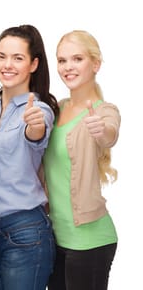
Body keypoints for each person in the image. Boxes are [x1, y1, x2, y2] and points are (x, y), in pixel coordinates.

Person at [0, 25, 59, 290]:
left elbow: (36, 134)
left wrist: (34, 125)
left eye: (18, 58)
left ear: (33, 64)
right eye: (2, 56)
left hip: (25, 232)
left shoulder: (39, 110)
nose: (7, 65)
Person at [43, 30, 120, 290]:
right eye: (62, 60)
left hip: (91, 241)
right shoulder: (56, 108)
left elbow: (109, 133)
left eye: (77, 59)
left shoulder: (104, 111)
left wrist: (102, 131)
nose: (68, 67)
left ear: (95, 64)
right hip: (56, 237)